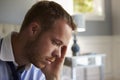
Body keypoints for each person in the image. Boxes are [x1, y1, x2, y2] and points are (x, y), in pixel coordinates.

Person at [0, 1, 76, 80]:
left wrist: (53, 77)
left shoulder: (43, 72)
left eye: (61, 47)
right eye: (56, 43)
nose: (58, 54)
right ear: (34, 30)